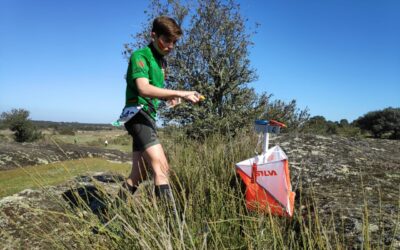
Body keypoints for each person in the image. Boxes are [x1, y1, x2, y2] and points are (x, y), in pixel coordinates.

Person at [118, 16, 201, 202]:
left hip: (148, 116)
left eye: (174, 42)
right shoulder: (140, 56)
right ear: (153, 35)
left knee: (137, 175)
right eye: (166, 40)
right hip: (137, 114)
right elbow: (143, 88)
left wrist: (170, 97)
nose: (170, 46)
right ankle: (170, 227)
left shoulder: (162, 62)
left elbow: (156, 91)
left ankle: (110, 216)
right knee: (162, 168)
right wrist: (182, 92)